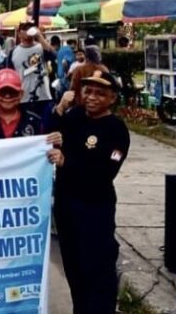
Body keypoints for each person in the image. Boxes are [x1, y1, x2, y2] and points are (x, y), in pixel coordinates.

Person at [49, 71, 129, 314]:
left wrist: (67, 163)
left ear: (112, 98)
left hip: (94, 211)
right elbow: (48, 137)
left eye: (100, 93)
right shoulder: (74, 116)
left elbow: (105, 173)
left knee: (97, 272)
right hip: (66, 208)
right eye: (88, 91)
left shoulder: (116, 130)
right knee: (74, 270)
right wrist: (59, 110)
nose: (92, 97)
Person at [6, 22, 56, 119]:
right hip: (23, 98)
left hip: (43, 96)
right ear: (19, 33)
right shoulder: (14, 52)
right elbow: (10, 75)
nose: (28, 31)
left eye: (30, 28)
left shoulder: (41, 47)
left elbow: (53, 56)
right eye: (25, 29)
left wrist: (40, 37)